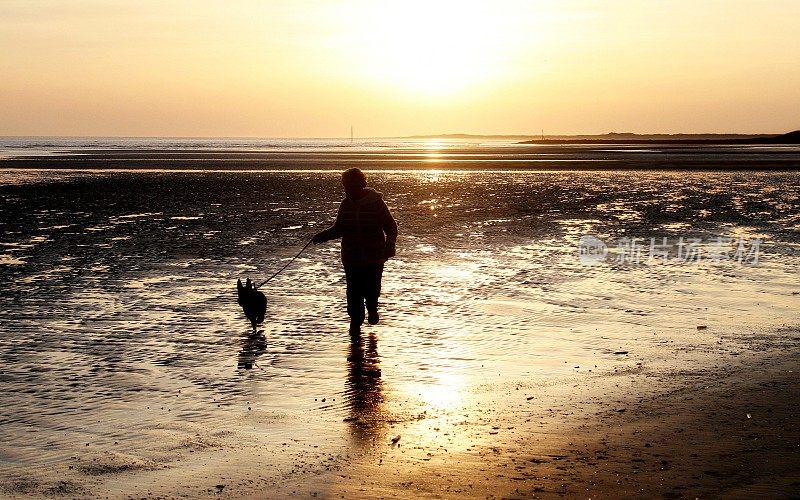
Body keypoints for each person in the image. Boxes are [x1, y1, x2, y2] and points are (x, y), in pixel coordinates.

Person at [312, 168, 397, 334]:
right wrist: (322, 236)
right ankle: (355, 324)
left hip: (374, 257)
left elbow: (391, 226)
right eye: (345, 187)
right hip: (351, 258)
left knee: (372, 290)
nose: (347, 190)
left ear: (361, 185)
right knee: (353, 293)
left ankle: (372, 308)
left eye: (350, 187)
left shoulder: (376, 203)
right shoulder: (345, 204)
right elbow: (339, 228)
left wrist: (390, 244)